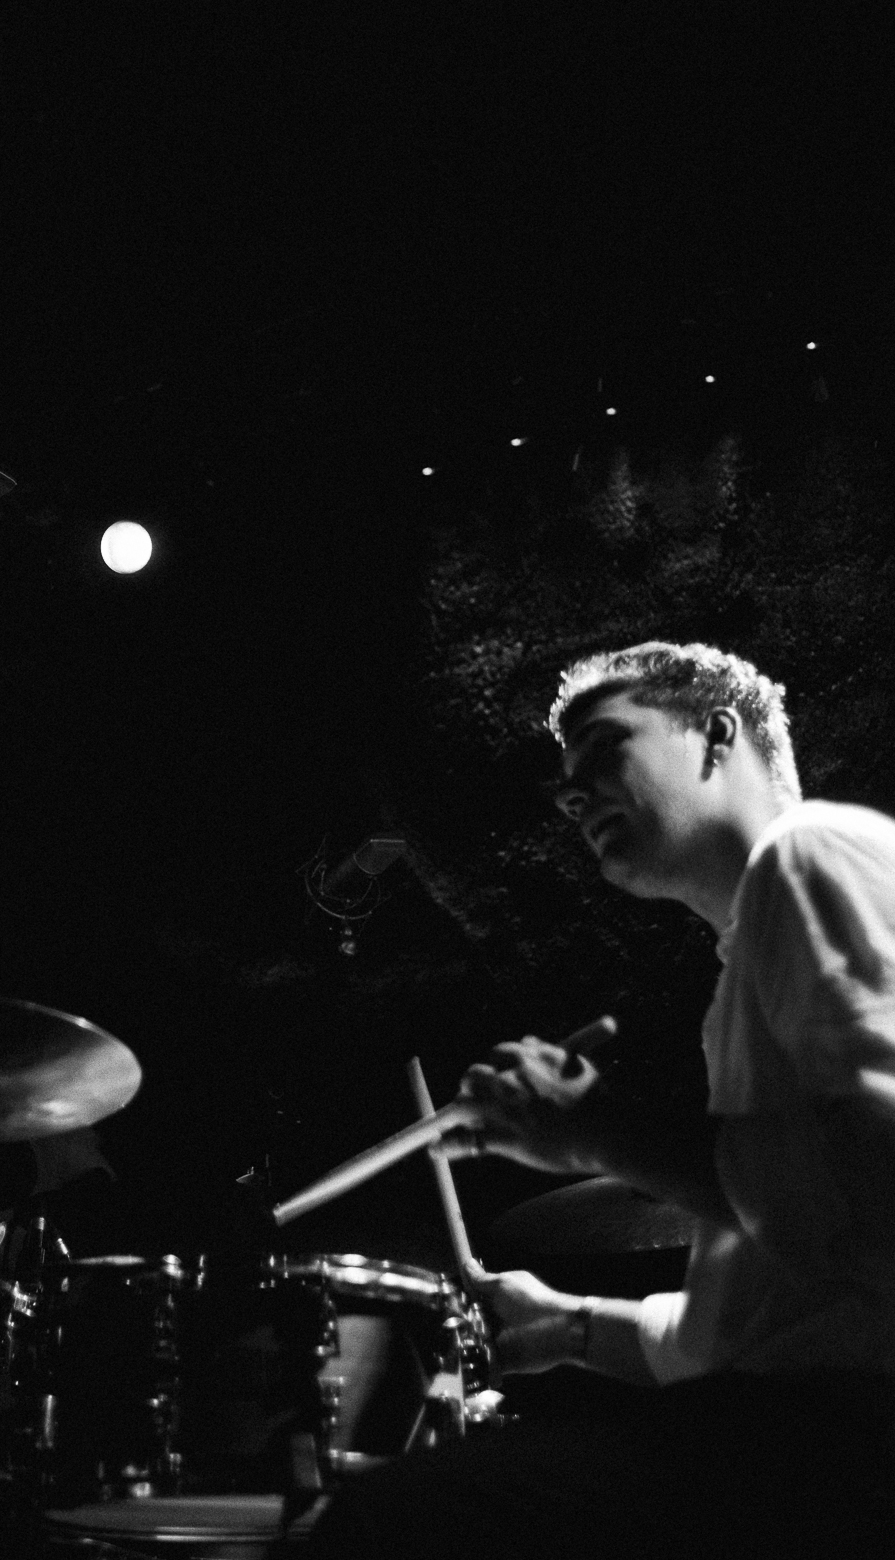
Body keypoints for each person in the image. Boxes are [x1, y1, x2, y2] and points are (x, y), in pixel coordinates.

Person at [308, 641, 895, 1557]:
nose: (571, 795)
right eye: (565, 781)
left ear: (717, 735)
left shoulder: (807, 852)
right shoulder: (750, 955)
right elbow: (764, 1324)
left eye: (604, 749)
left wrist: (595, 1133)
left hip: (838, 1445)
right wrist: (568, 1326)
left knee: (388, 1519)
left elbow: (874, 1194)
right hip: (801, 1429)